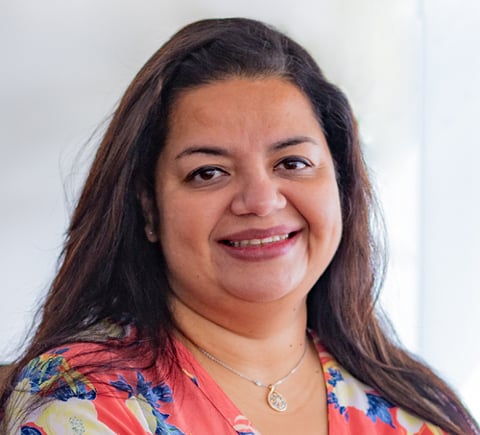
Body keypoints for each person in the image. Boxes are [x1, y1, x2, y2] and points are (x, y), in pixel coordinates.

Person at [0, 17, 478, 435]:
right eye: (208, 172)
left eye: (292, 162)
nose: (261, 201)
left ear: (343, 186)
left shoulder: (418, 411)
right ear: (149, 209)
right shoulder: (85, 403)